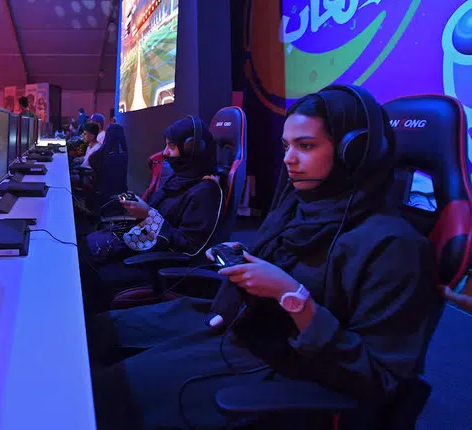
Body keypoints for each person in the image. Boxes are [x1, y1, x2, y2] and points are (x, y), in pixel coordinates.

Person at [86, 87, 435, 429]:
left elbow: (381, 379)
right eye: (286, 146)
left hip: (291, 371)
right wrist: (244, 261)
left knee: (102, 397)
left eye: (306, 146)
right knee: (95, 337)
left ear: (352, 154)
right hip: (245, 329)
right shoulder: (299, 206)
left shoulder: (394, 247)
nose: (288, 159)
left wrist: (292, 296)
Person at [79, 117, 223, 313]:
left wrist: (146, 214)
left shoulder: (205, 191)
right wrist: (138, 207)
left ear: (192, 149)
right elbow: (157, 216)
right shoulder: (179, 179)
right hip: (143, 245)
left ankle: (88, 325)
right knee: (81, 247)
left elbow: (190, 248)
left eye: (172, 147)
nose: (165, 153)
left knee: (84, 266)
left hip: (158, 263)